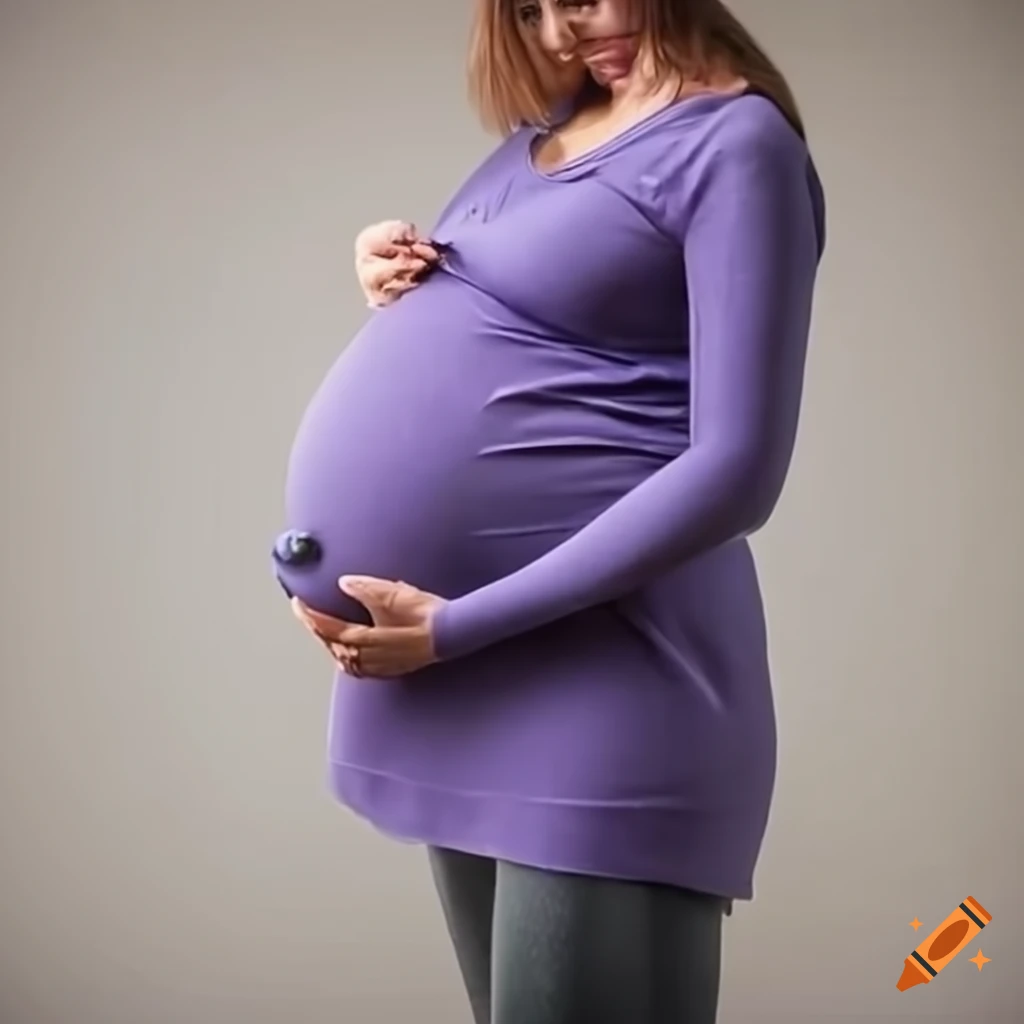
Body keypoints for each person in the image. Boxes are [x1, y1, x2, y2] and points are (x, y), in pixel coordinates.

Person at [273, 0, 826, 1020]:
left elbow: (739, 465)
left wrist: (453, 627)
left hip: (602, 665)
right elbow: (527, 321)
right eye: (530, 7)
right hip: (453, 678)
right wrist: (389, 267)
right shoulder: (546, 131)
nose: (566, 28)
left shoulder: (733, 144)